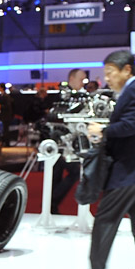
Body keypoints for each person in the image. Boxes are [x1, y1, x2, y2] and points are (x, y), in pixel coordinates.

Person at [72, 49, 135, 269]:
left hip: (127, 173)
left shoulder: (133, 92)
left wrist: (103, 130)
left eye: (110, 72)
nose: (107, 78)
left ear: (126, 70)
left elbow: (130, 125)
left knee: (105, 222)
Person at [50, 68, 88, 213]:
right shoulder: (59, 96)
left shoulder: (83, 97)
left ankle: (52, 201)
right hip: (59, 140)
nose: (83, 82)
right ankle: (52, 204)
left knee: (72, 172)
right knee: (57, 174)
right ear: (71, 78)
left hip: (72, 141)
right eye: (81, 79)